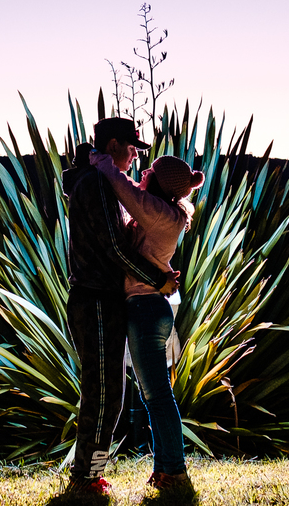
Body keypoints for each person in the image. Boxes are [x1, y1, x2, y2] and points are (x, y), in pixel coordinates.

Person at [60, 117, 179, 498]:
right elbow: (114, 248)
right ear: (113, 145)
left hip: (101, 298)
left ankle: (90, 474)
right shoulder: (96, 184)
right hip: (95, 298)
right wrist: (158, 279)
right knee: (103, 392)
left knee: (108, 391)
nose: (134, 157)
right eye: (131, 149)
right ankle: (85, 477)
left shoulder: (97, 182)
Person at [90, 150, 203, 495]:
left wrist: (101, 161)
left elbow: (123, 188)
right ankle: (165, 469)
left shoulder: (159, 214)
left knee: (157, 395)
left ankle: (176, 472)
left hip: (145, 310)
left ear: (159, 182)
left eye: (150, 171)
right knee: (154, 394)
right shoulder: (162, 214)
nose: (143, 172)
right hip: (148, 308)